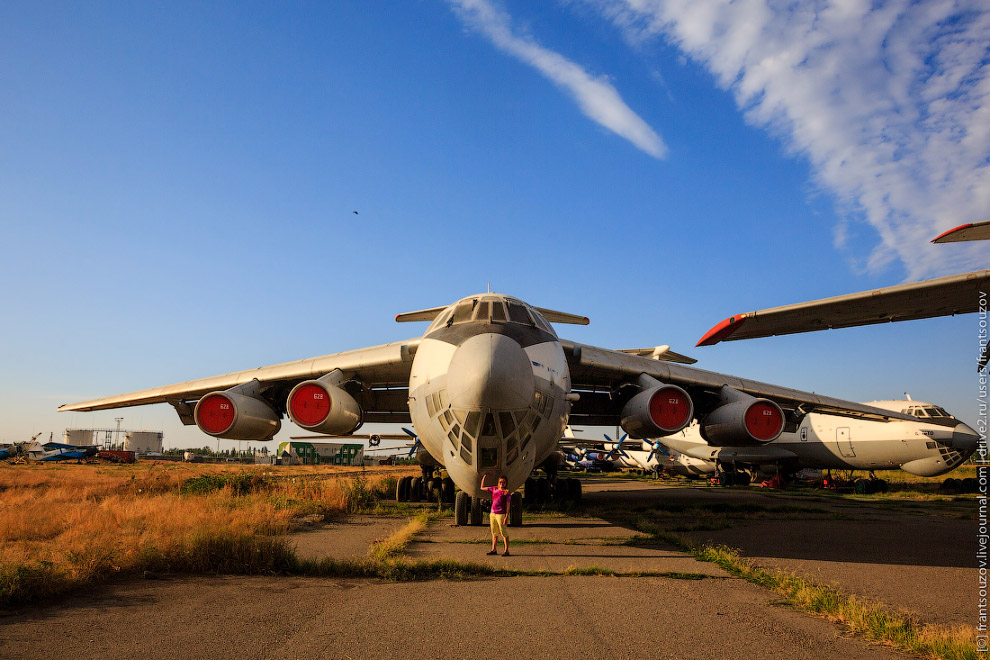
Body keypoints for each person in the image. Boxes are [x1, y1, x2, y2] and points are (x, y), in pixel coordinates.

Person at [481, 474, 511, 556]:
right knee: (494, 532)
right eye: (500, 482)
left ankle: (506, 550)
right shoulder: (494, 489)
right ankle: (494, 549)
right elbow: (482, 487)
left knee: (503, 532)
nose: (502, 484)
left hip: (501, 514)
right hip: (493, 513)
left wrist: (506, 517)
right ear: (498, 482)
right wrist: (484, 478)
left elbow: (508, 505)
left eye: (503, 482)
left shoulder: (506, 492)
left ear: (506, 483)